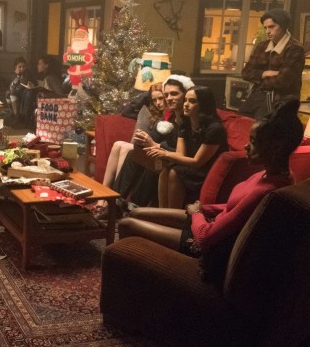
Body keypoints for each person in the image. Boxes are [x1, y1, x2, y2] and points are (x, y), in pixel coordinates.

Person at [118, 98, 304, 281]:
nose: (246, 146)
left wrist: (197, 214)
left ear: (275, 147)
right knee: (137, 213)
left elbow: (205, 238)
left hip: (208, 246)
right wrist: (205, 209)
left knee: (126, 224)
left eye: (254, 142)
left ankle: (132, 281)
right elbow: (235, 208)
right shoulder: (273, 174)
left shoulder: (266, 190)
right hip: (210, 223)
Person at [110, 75, 194, 210]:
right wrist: (146, 140)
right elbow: (154, 136)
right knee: (134, 153)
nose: (169, 98)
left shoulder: (189, 119)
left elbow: (185, 152)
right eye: (166, 95)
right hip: (166, 155)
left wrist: (155, 145)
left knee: (154, 160)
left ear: (185, 94)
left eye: (174, 94)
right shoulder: (171, 116)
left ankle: (134, 206)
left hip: (180, 162)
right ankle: (114, 202)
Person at [146, 86, 229, 209]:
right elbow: (180, 154)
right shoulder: (185, 125)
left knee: (175, 172)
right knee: (165, 170)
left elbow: (197, 162)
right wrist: (161, 151)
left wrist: (165, 154)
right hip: (189, 165)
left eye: (192, 101)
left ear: (204, 104)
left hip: (206, 171)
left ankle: (172, 215)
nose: (186, 104)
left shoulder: (215, 129)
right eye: (185, 100)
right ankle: (163, 212)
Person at [239, 8, 305, 119]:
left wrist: (258, 79)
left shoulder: (295, 48)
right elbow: (245, 73)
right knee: (239, 121)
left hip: (281, 101)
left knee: (262, 127)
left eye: (271, 27)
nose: (267, 31)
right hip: (257, 95)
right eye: (265, 28)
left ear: (283, 26)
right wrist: (265, 73)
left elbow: (283, 81)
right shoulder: (262, 46)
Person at [101, 82, 167, 191]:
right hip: (143, 148)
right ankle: (104, 191)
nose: (158, 103)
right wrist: (148, 93)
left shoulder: (171, 115)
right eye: (154, 100)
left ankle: (116, 192)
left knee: (126, 148)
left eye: (161, 98)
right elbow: (126, 112)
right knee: (117, 144)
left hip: (155, 152)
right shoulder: (152, 113)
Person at [19, 56, 66, 128]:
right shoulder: (46, 77)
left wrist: (40, 90)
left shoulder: (51, 77)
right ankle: (23, 118)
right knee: (27, 91)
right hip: (46, 100)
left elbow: (60, 94)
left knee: (29, 93)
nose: (37, 66)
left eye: (40, 63)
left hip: (52, 104)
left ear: (46, 65)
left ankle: (25, 120)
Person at [5, 56, 28, 125]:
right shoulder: (15, 75)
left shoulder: (26, 74)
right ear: (16, 67)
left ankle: (17, 116)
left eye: (23, 66)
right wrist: (17, 76)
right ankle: (13, 112)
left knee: (12, 93)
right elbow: (11, 86)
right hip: (17, 91)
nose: (22, 69)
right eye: (19, 67)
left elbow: (22, 86)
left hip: (24, 92)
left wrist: (14, 89)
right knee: (8, 93)